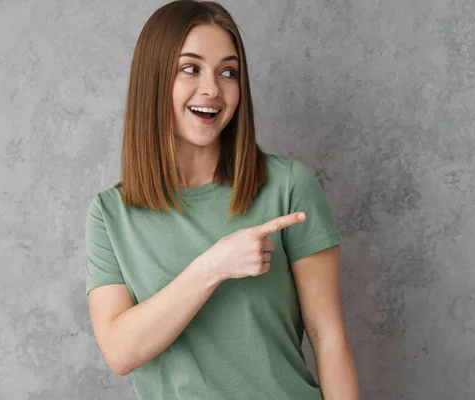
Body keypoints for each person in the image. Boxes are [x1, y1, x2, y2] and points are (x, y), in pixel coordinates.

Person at [84, 1, 359, 399]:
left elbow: (328, 336)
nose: (212, 89)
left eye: (228, 72)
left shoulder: (287, 186)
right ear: (154, 79)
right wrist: (213, 267)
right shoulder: (110, 214)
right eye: (190, 68)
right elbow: (120, 351)